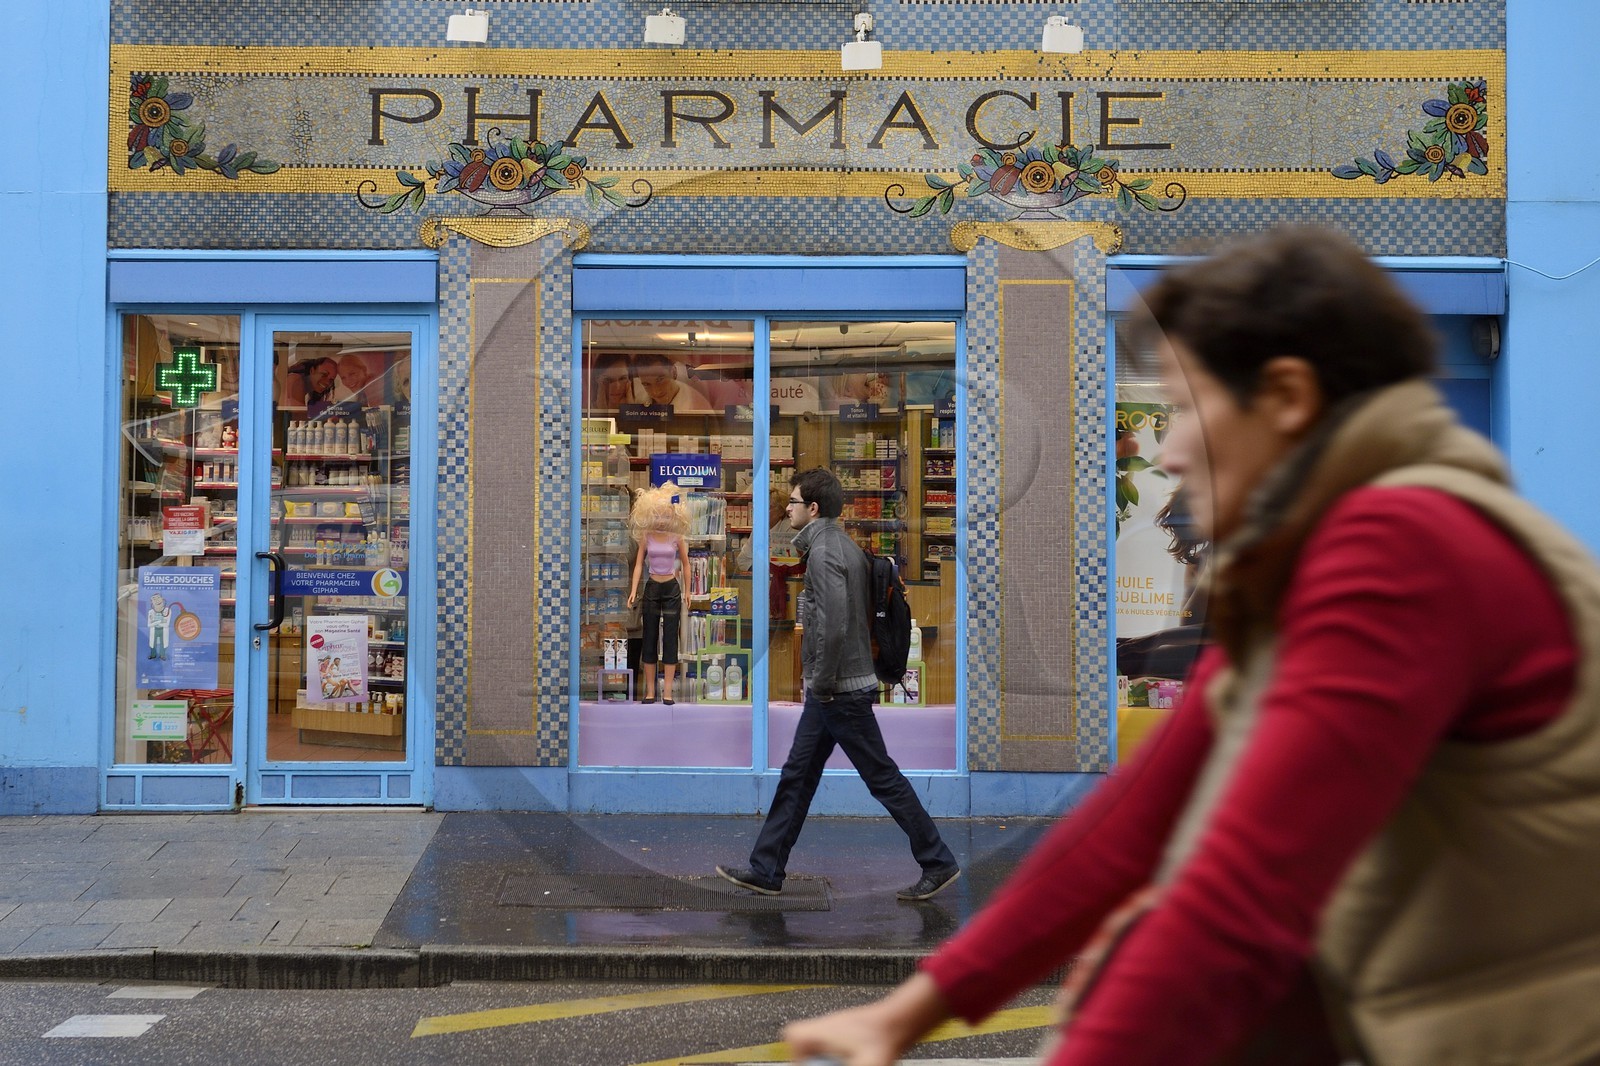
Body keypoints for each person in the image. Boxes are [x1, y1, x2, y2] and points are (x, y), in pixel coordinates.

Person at [783, 226, 1600, 1066]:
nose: (1169, 450)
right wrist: (916, 1007)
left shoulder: (1404, 547)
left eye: (1187, 406)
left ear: (1285, 396)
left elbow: (1240, 900)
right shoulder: (1315, 555)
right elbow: (1143, 816)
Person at [718, 467, 960, 902]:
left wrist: (823, 684)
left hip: (840, 690)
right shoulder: (841, 545)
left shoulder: (826, 553)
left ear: (812, 508)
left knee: (881, 777)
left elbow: (831, 625)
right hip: (836, 688)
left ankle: (938, 861)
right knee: (798, 775)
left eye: (792, 502)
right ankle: (767, 869)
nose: (786, 508)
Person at [628, 483, 691, 704]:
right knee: (650, 638)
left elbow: (685, 564)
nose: (662, 520)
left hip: (672, 587)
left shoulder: (677, 537)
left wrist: (687, 591)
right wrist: (634, 590)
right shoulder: (647, 536)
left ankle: (667, 693)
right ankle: (650, 692)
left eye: (666, 515)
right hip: (652, 586)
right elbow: (638, 565)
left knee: (671, 638)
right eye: (658, 515)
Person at [632, 352, 712, 411]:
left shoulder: (697, 407)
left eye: (660, 380)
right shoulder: (636, 395)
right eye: (646, 384)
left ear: (673, 372)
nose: (656, 391)